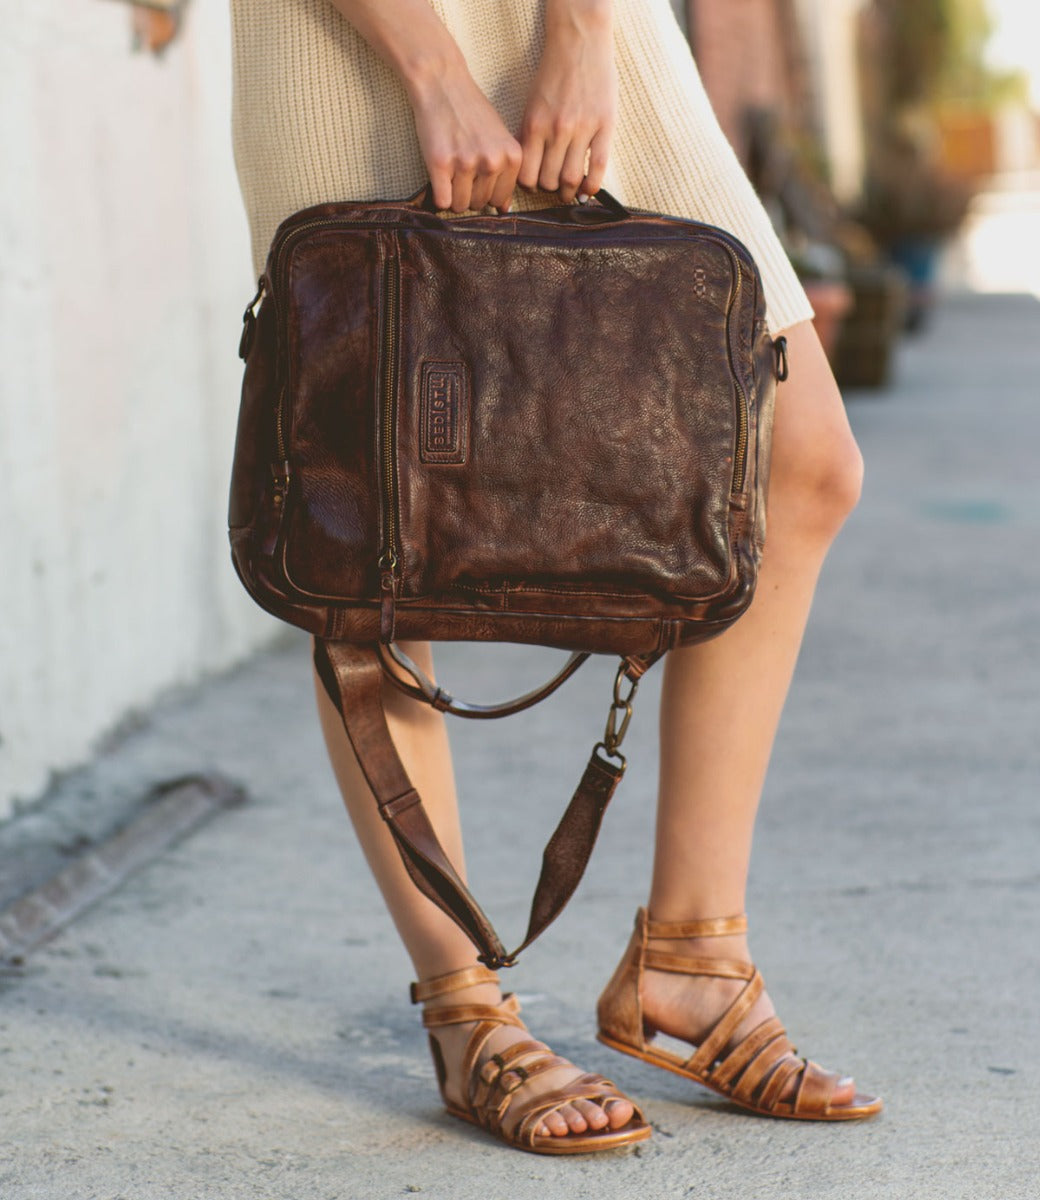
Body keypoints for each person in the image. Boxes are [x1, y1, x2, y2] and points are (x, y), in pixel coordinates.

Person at [144, 0, 881, 1152]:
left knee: (803, 460)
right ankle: (464, 1009)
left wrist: (584, 30)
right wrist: (431, 67)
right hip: (345, 37)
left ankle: (689, 961)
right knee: (371, 526)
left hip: (588, 27)